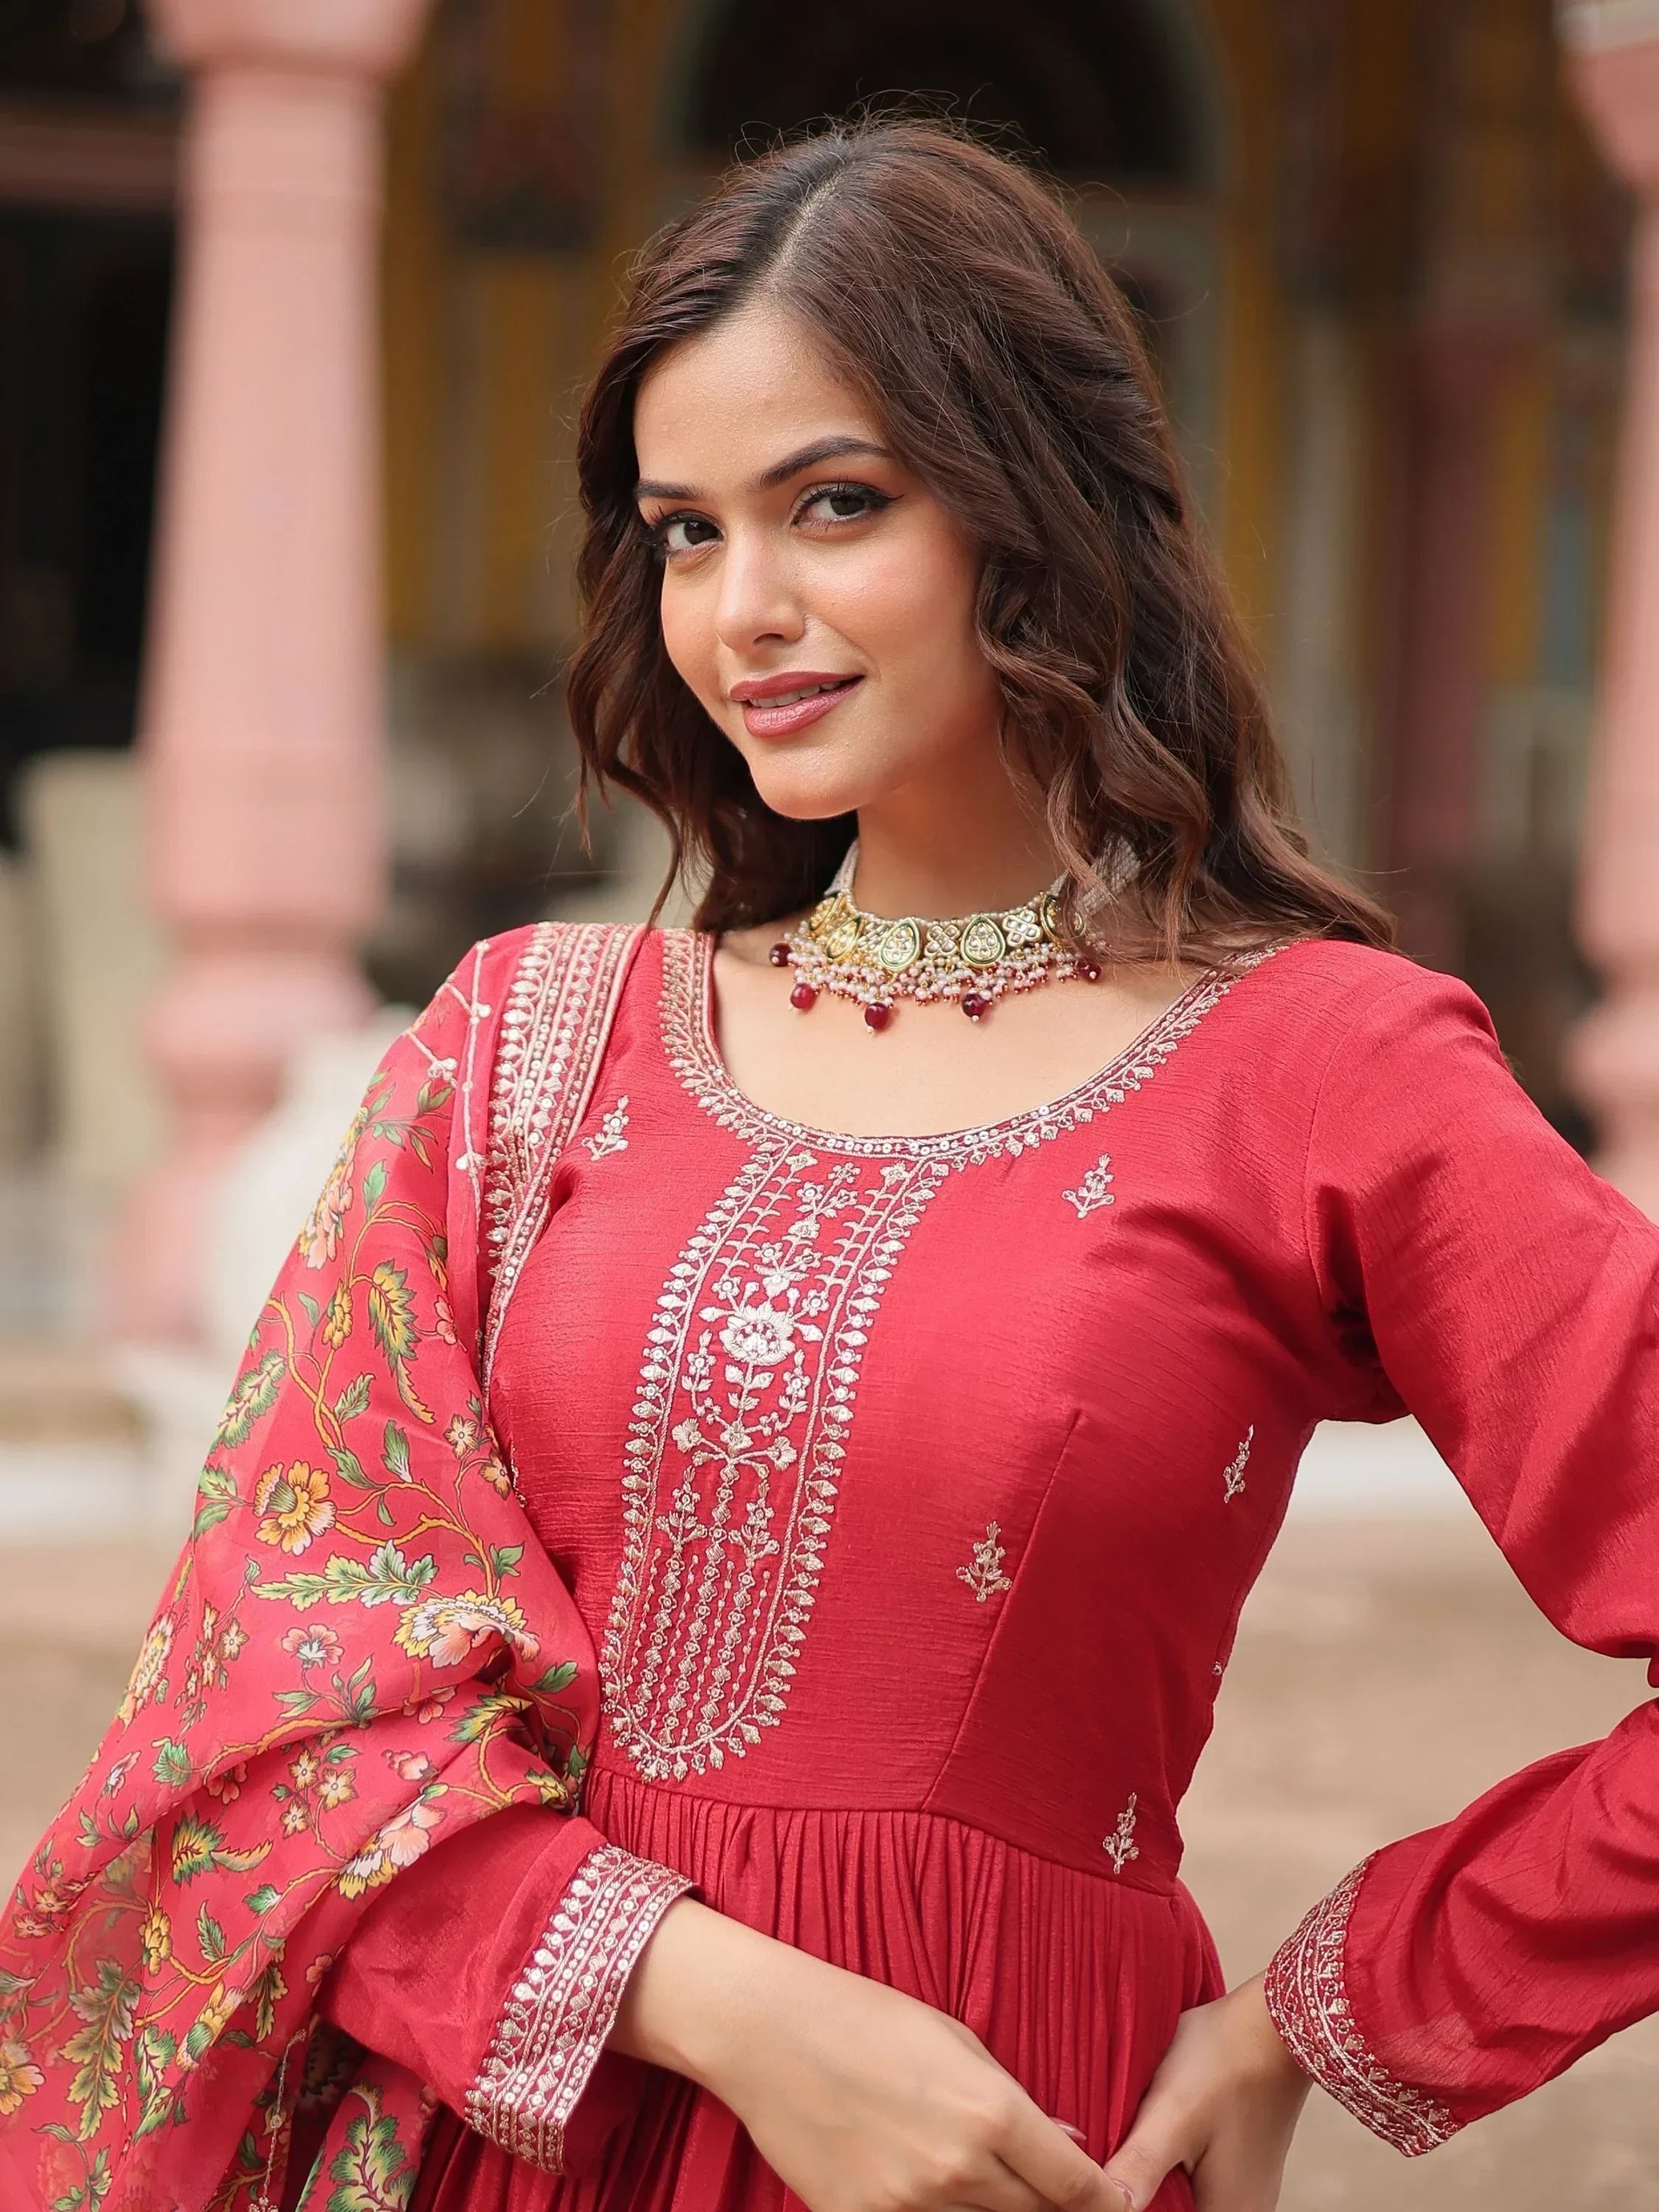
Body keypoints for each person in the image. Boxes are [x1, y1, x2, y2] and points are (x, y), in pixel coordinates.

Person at [2, 114, 1655, 2212]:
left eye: (834, 506)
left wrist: (1324, 2013)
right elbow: (275, 1692)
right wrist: (719, 2001)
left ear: (1033, 523)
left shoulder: (1323, 1070)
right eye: (684, 533)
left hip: (998, 2155)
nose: (743, 609)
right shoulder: (520, 1052)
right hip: (497, 2139)